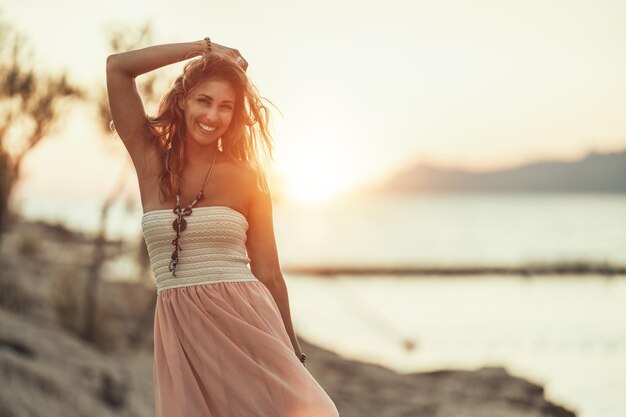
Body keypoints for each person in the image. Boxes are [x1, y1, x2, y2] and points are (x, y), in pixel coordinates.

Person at [106, 38, 340, 417]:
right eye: (204, 100)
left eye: (226, 107)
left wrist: (292, 351)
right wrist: (203, 50)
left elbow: (268, 273)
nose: (213, 116)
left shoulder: (247, 178)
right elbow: (118, 68)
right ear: (182, 100)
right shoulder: (151, 162)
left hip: (246, 322)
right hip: (180, 330)